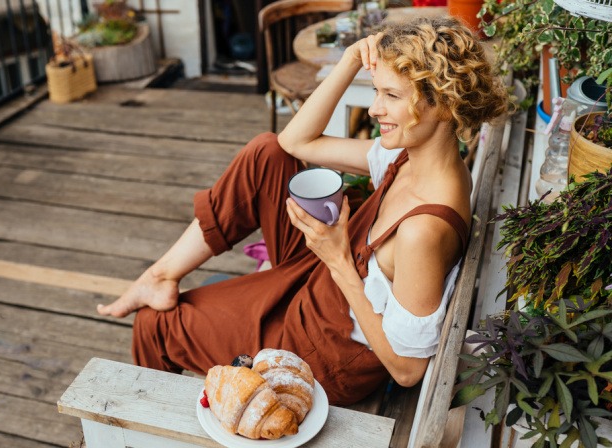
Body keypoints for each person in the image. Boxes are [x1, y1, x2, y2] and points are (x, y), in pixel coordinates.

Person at [97, 16, 507, 406]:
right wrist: (349, 61)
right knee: (267, 152)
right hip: (316, 282)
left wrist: (339, 260)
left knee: (154, 324)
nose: (374, 109)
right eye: (377, 91)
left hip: (321, 352)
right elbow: (295, 141)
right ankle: (160, 274)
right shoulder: (417, 160)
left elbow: (407, 369)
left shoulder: (423, 230)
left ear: (445, 104)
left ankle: (153, 423)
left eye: (391, 96)